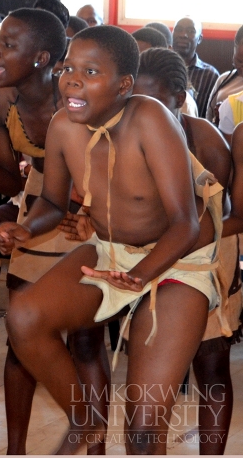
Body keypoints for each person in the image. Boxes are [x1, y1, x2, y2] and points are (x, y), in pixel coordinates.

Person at [0, 25, 222, 454]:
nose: (72, 80)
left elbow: (185, 224)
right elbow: (51, 201)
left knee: (142, 430)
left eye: (91, 71)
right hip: (112, 253)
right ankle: (87, 421)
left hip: (176, 262)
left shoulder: (150, 119)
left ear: (123, 86)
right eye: (68, 69)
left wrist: (139, 275)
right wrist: (28, 228)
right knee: (23, 318)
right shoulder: (63, 125)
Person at [0, 7, 111, 454]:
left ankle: (92, 441)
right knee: (22, 336)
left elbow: (108, 169)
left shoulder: (77, 99)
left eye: (7, 45)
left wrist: (93, 213)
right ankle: (16, 448)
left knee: (88, 340)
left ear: (41, 58)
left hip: (92, 209)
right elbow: (12, 180)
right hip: (43, 205)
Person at [133, 46, 237, 455]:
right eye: (135, 101)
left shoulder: (203, 138)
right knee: (156, 373)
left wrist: (170, 244)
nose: (145, 111)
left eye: (155, 100)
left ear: (179, 97)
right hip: (148, 253)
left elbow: (225, 213)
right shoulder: (128, 133)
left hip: (207, 252)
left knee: (209, 364)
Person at [173, 16, 220, 118]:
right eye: (179, 30)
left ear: (199, 39)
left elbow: (211, 116)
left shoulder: (210, 75)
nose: (183, 35)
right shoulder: (161, 67)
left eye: (190, 31)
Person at [206, 25, 243, 125]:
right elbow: (209, 115)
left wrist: (227, 112)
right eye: (239, 61)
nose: (242, 67)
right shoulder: (224, 79)